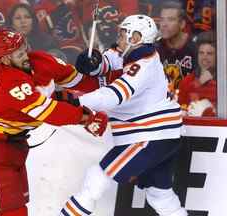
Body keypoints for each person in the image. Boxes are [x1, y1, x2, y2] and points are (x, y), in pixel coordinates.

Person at [0, 28, 108, 216]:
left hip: (15, 142)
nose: (25, 55)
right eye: (18, 53)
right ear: (5, 59)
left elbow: (76, 83)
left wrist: (99, 71)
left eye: (24, 48)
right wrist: (86, 118)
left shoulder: (40, 61)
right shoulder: (9, 81)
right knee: (12, 210)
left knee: (18, 205)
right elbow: (47, 111)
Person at [59, 15, 187, 216]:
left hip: (148, 136)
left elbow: (112, 96)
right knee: (159, 195)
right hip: (161, 137)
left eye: (123, 33)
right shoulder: (132, 53)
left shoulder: (144, 63)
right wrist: (94, 63)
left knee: (97, 178)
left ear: (135, 38)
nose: (118, 37)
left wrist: (74, 101)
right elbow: (109, 61)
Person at [156, 0, 197, 100]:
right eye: (162, 19)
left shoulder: (196, 48)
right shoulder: (155, 48)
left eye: (170, 19)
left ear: (182, 24)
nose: (164, 24)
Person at [178, 31, 216, 117]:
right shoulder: (187, 81)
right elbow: (181, 111)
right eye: (201, 53)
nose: (204, 58)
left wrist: (208, 112)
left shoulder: (222, 82)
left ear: (218, 55)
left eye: (209, 54)